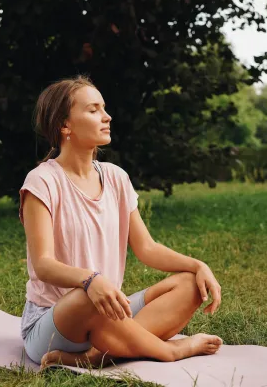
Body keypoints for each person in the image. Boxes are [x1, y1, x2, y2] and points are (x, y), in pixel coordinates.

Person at [19, 74, 223, 369]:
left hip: (108, 308)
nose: (107, 116)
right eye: (93, 110)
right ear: (65, 125)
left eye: (104, 108)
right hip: (55, 323)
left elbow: (147, 248)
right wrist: (90, 280)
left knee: (191, 284)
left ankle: (96, 355)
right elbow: (44, 265)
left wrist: (197, 265)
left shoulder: (115, 177)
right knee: (86, 297)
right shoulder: (42, 182)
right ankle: (170, 351)